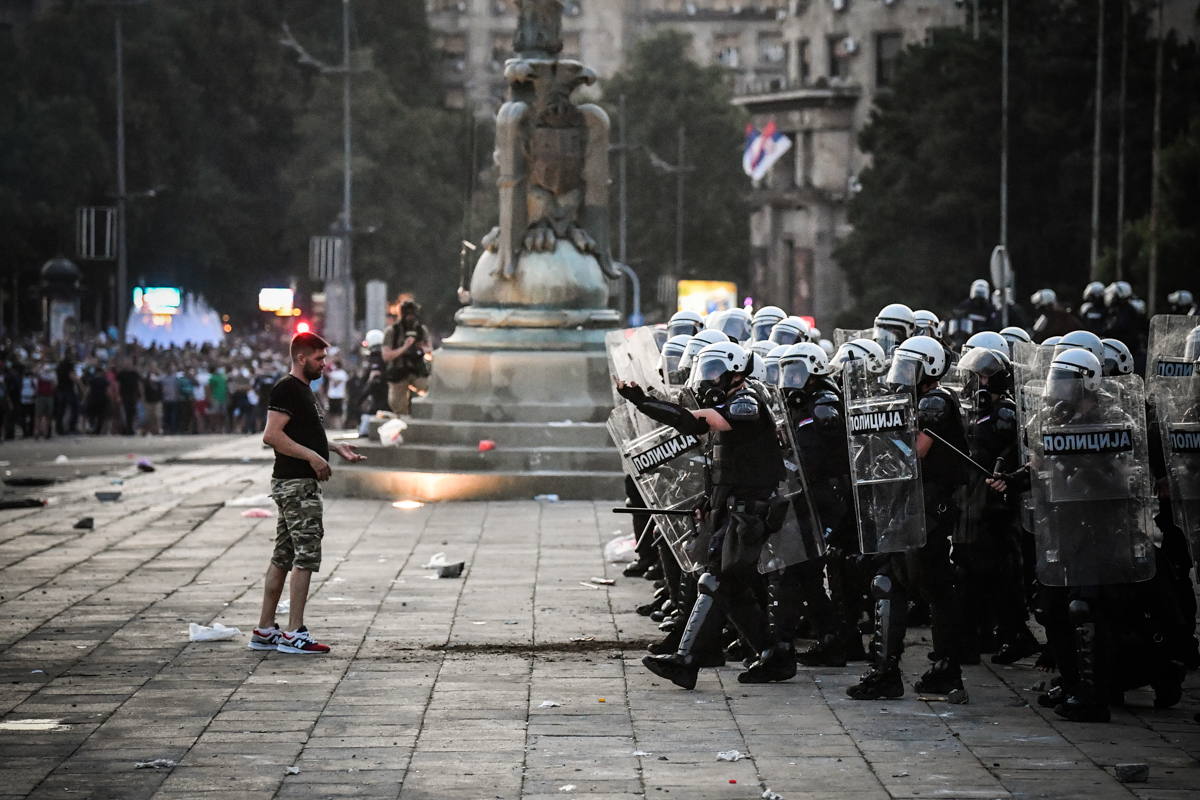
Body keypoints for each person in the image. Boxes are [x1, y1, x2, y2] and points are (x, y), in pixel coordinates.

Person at [617, 341, 789, 689]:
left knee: (717, 580)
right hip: (731, 507)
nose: (707, 379)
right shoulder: (732, 402)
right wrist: (710, 501)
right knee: (734, 588)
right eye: (705, 370)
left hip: (749, 513)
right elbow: (726, 464)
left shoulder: (747, 402)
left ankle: (686, 659)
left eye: (714, 371)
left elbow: (694, 422)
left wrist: (642, 402)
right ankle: (775, 657)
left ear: (736, 372)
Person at [847, 335, 970, 702]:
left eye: (909, 367)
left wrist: (880, 437)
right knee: (897, 583)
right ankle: (905, 670)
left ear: (928, 368)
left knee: (921, 585)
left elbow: (915, 450)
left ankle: (922, 671)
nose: (901, 375)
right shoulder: (917, 400)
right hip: (911, 505)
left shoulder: (936, 401)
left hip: (930, 509)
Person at [251, 332, 366, 655]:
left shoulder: (303, 391)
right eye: (319, 359)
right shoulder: (288, 388)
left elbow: (301, 433)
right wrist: (313, 458)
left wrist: (332, 447)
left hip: (295, 482)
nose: (324, 364)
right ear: (301, 358)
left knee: (284, 555)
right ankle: (294, 633)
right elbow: (272, 435)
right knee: (306, 555)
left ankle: (265, 629)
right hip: (296, 484)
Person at [382, 300, 431, 416]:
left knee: (430, 390)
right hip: (398, 371)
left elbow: (430, 350)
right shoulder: (391, 332)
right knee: (398, 407)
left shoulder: (421, 330)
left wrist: (420, 349)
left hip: (417, 370)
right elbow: (386, 355)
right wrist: (405, 347)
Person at [114, 358, 142, 436]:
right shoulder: (121, 374)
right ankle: (125, 429)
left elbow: (139, 385)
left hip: (133, 396)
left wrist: (140, 395)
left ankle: (131, 429)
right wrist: (118, 395)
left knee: (132, 413)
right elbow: (117, 385)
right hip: (124, 396)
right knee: (124, 413)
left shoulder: (135, 374)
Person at [325, 358, 348, 430]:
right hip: (331, 396)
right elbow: (330, 385)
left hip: (339, 396)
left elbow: (336, 383)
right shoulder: (332, 373)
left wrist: (329, 376)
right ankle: (332, 428)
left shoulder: (342, 374)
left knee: (339, 414)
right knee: (332, 414)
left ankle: (339, 428)